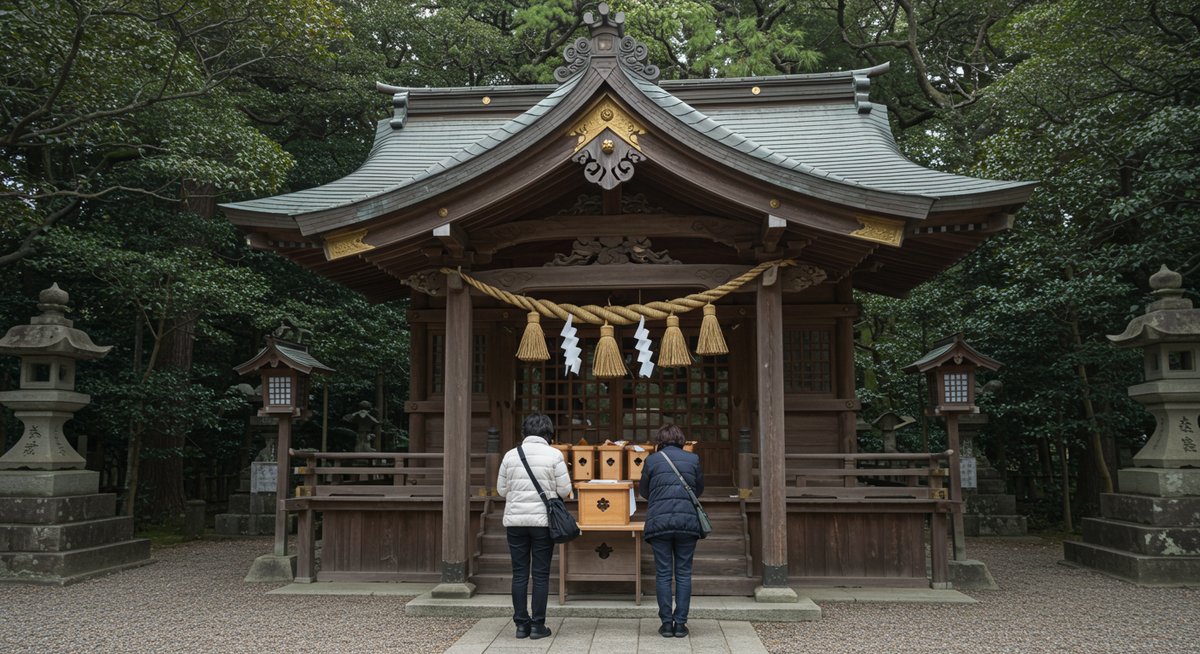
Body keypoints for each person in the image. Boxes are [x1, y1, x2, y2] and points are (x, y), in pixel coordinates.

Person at [496, 413, 572, 640]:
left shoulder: (510, 455)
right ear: (549, 433)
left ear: (524, 432)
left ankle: (521, 625)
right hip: (542, 522)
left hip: (516, 522)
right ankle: (538, 625)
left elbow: (501, 490)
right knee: (540, 575)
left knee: (519, 574)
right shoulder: (555, 455)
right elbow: (563, 490)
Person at [639, 423, 705, 638]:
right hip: (687, 522)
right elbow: (698, 489)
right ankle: (681, 624)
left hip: (660, 522)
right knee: (684, 573)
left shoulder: (652, 460)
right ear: (681, 440)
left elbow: (644, 491)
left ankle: (666, 623)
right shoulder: (693, 459)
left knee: (664, 574)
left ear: (660, 440)